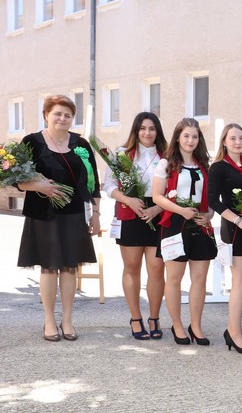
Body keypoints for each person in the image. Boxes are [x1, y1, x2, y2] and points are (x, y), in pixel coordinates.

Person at [17, 95, 101, 342]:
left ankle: (67, 319)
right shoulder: (31, 142)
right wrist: (39, 186)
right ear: (46, 115)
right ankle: (49, 320)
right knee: (48, 267)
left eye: (68, 115)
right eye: (57, 113)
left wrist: (96, 214)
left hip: (74, 213)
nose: (62, 118)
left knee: (69, 267)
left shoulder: (81, 144)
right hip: (43, 214)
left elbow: (93, 182)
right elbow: (17, 181)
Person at [152, 118, 217, 346]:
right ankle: (177, 325)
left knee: (199, 279)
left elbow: (211, 198)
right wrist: (181, 211)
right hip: (174, 224)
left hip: (199, 224)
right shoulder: (166, 163)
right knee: (174, 279)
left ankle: (196, 326)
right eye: (186, 136)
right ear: (178, 137)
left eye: (195, 136)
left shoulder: (204, 164)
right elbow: (157, 196)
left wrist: (209, 215)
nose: (191, 140)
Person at [104, 112, 166, 340]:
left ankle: (154, 318)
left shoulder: (167, 156)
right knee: (132, 267)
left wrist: (157, 208)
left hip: (158, 213)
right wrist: (128, 200)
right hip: (130, 211)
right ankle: (136, 318)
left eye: (152, 128)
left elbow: (173, 189)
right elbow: (109, 185)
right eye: (143, 128)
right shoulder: (122, 154)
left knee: (157, 268)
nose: (147, 133)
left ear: (157, 131)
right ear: (136, 130)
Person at [209, 123, 242, 354]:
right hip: (234, 227)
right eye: (232, 138)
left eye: (241, 138)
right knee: (241, 281)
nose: (237, 142)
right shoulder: (218, 168)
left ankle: (232, 330)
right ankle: (235, 333)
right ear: (224, 141)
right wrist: (239, 221)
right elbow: (214, 201)